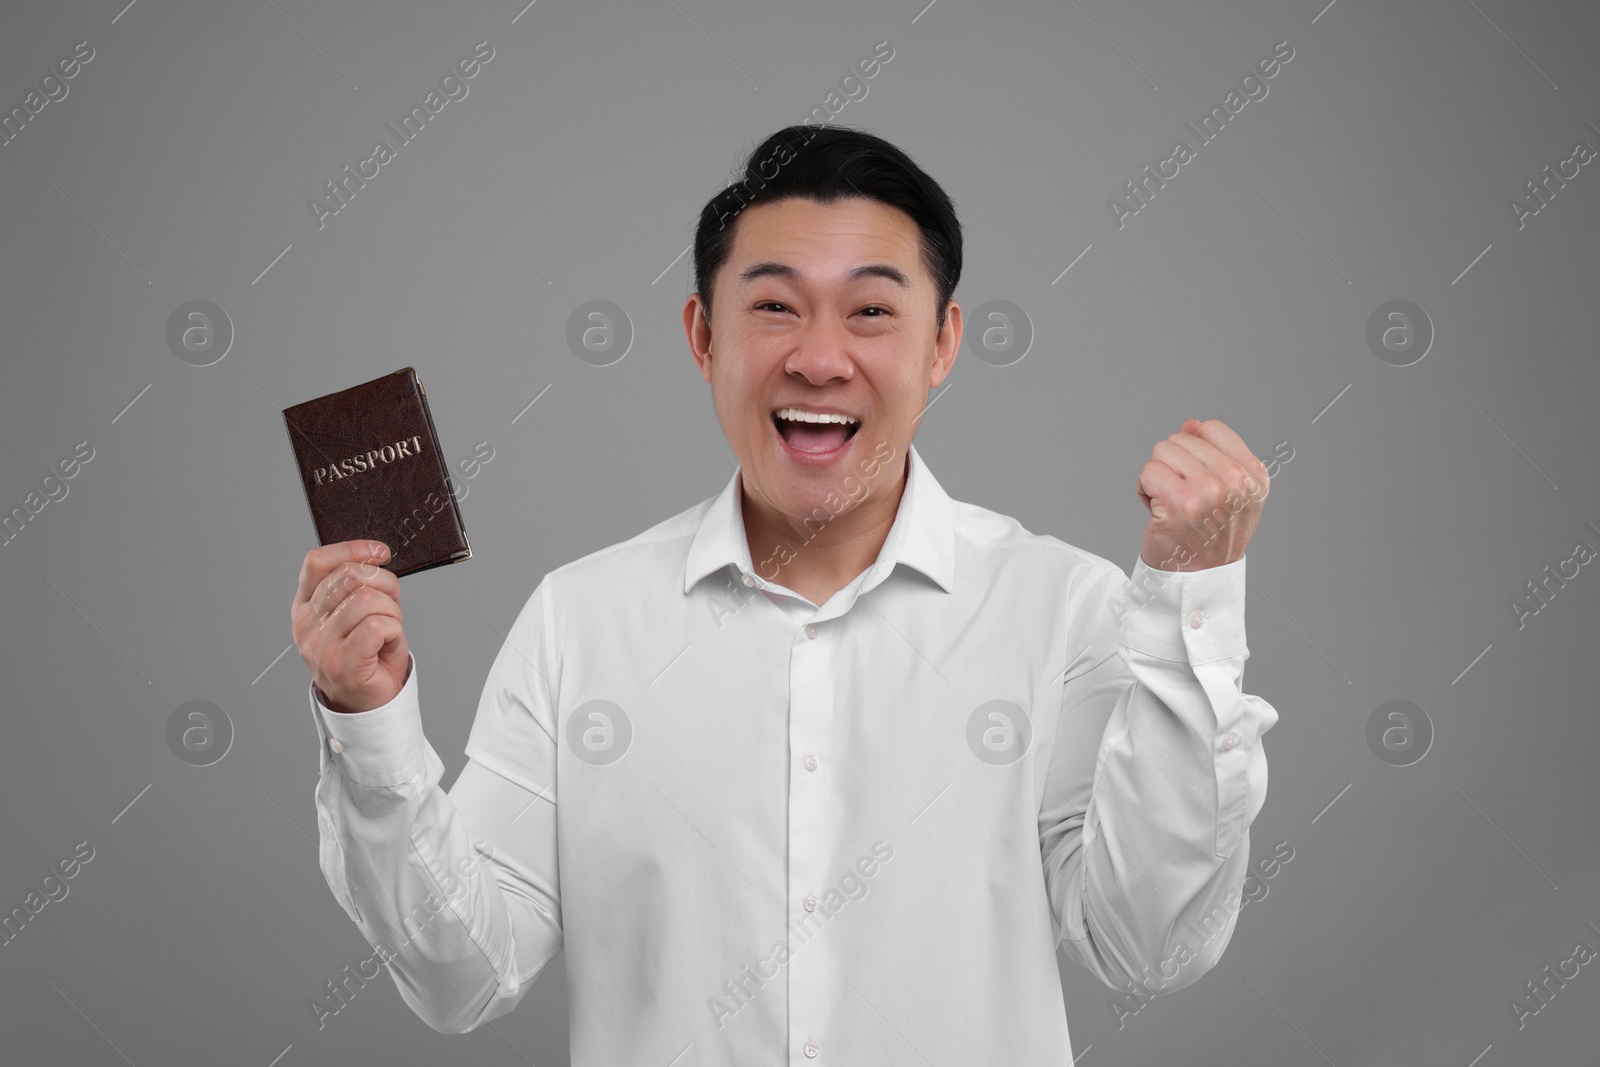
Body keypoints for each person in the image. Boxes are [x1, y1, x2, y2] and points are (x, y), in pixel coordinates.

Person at [289, 124, 1280, 1065]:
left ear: (941, 343)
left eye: (871, 310)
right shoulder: (579, 620)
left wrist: (1193, 603)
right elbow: (461, 972)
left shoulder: (1059, 606)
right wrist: (368, 723)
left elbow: (1148, 944)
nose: (817, 356)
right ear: (701, 335)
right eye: (772, 305)